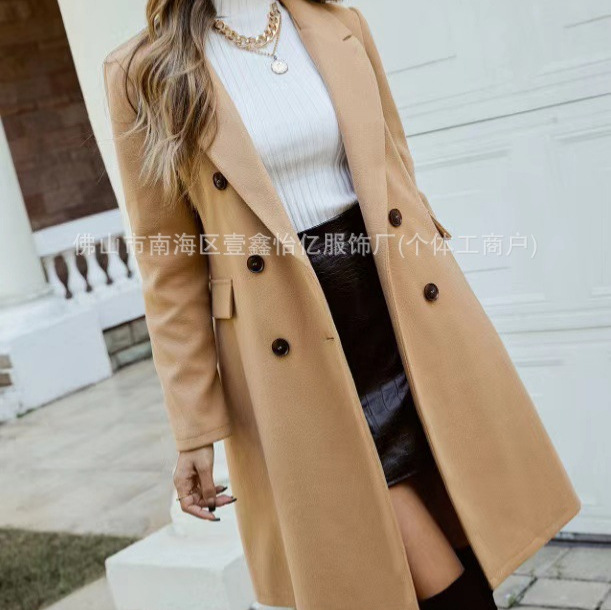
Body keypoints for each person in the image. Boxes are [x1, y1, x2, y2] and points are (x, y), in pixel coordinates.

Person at [103, 1, 581, 608]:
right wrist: (194, 427)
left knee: (454, 531)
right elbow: (169, 269)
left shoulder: (338, 25)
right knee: (404, 557)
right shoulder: (145, 70)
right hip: (293, 345)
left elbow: (395, 167)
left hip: (401, 314)